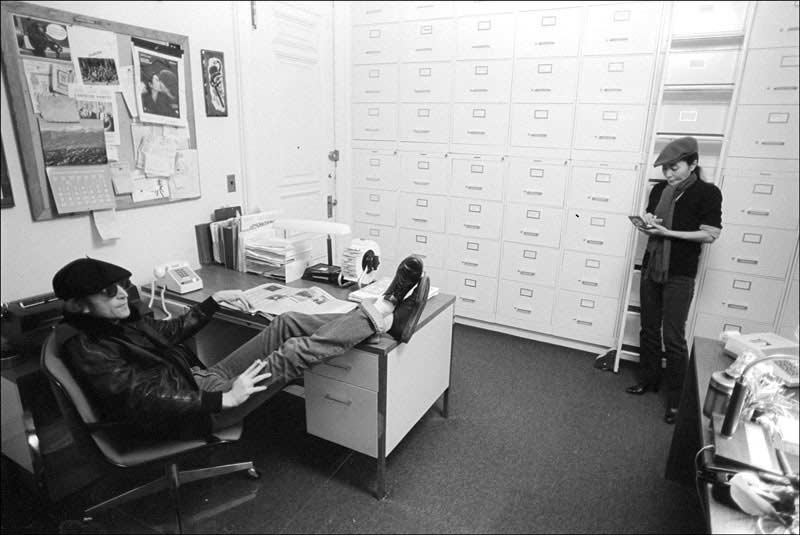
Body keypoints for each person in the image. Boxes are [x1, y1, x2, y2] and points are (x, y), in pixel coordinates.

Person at [51, 255, 430, 440]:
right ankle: (384, 312)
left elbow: (168, 331)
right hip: (194, 410)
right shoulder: (86, 348)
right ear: (79, 304)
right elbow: (141, 397)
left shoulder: (116, 320)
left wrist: (216, 301)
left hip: (203, 380)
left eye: (123, 286)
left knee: (286, 323)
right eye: (108, 292)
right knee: (295, 353)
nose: (121, 295)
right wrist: (223, 400)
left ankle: (377, 318)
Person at [625, 136, 722, 424]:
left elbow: (710, 234)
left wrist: (669, 234)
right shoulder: (659, 190)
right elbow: (654, 223)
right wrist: (649, 225)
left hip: (680, 272)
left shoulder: (707, 193)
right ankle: (649, 379)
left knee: (674, 337)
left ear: (693, 164)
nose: (668, 174)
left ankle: (676, 400)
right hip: (653, 264)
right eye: (665, 168)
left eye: (674, 167)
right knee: (648, 328)